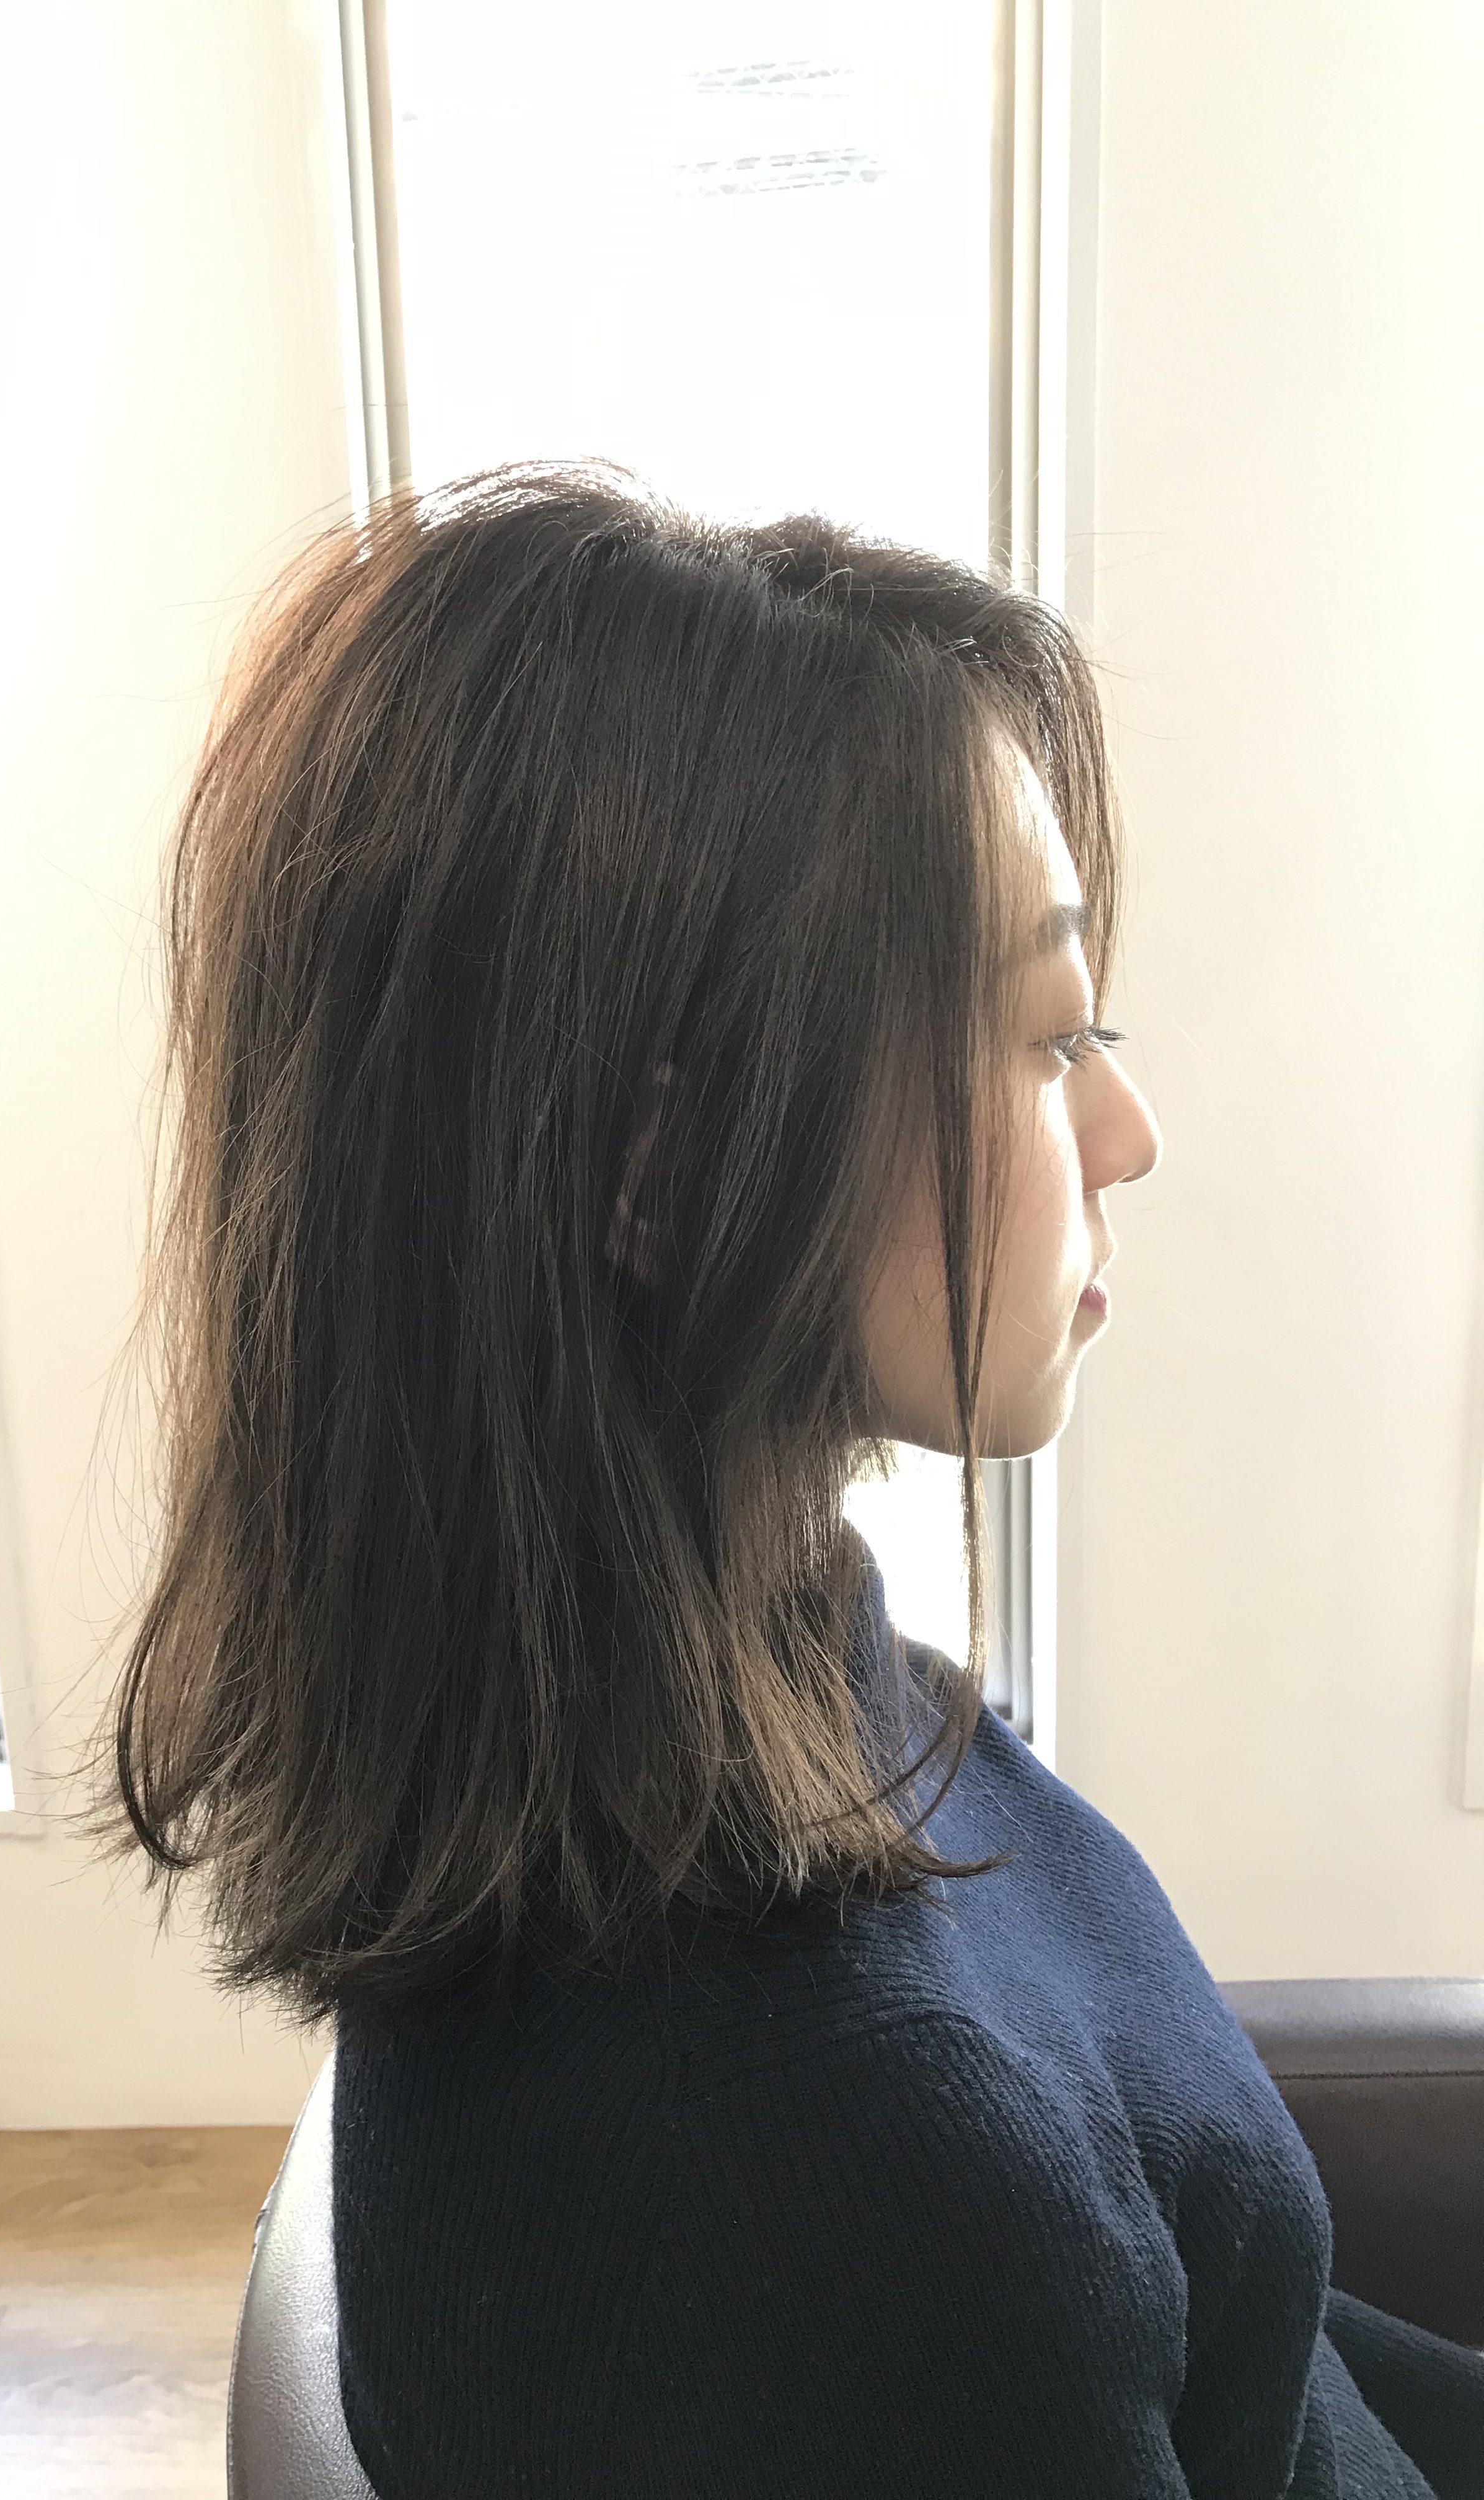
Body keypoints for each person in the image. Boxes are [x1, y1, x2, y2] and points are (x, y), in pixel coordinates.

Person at [84, 463, 1484, 2494]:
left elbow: (1263, 2345)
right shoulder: (821, 2184)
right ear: (664, 1173)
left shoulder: (751, 1672)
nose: (1129, 1132)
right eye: (1043, 1037)